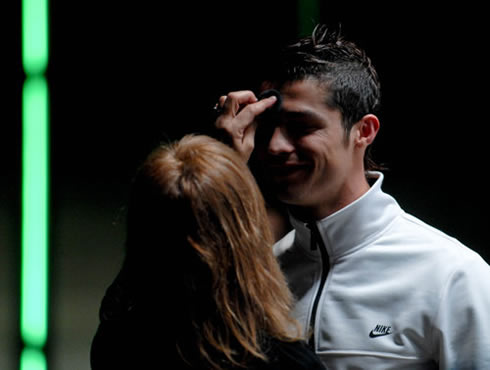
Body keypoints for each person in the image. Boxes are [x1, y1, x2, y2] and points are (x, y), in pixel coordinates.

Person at [213, 25, 490, 369]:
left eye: (301, 127)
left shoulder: (453, 276)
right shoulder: (260, 275)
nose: (274, 147)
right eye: (267, 128)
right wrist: (220, 171)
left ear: (365, 131)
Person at [90, 135, 326, 369]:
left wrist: (222, 180)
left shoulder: (115, 343)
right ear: (246, 235)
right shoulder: (287, 362)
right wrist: (228, 181)